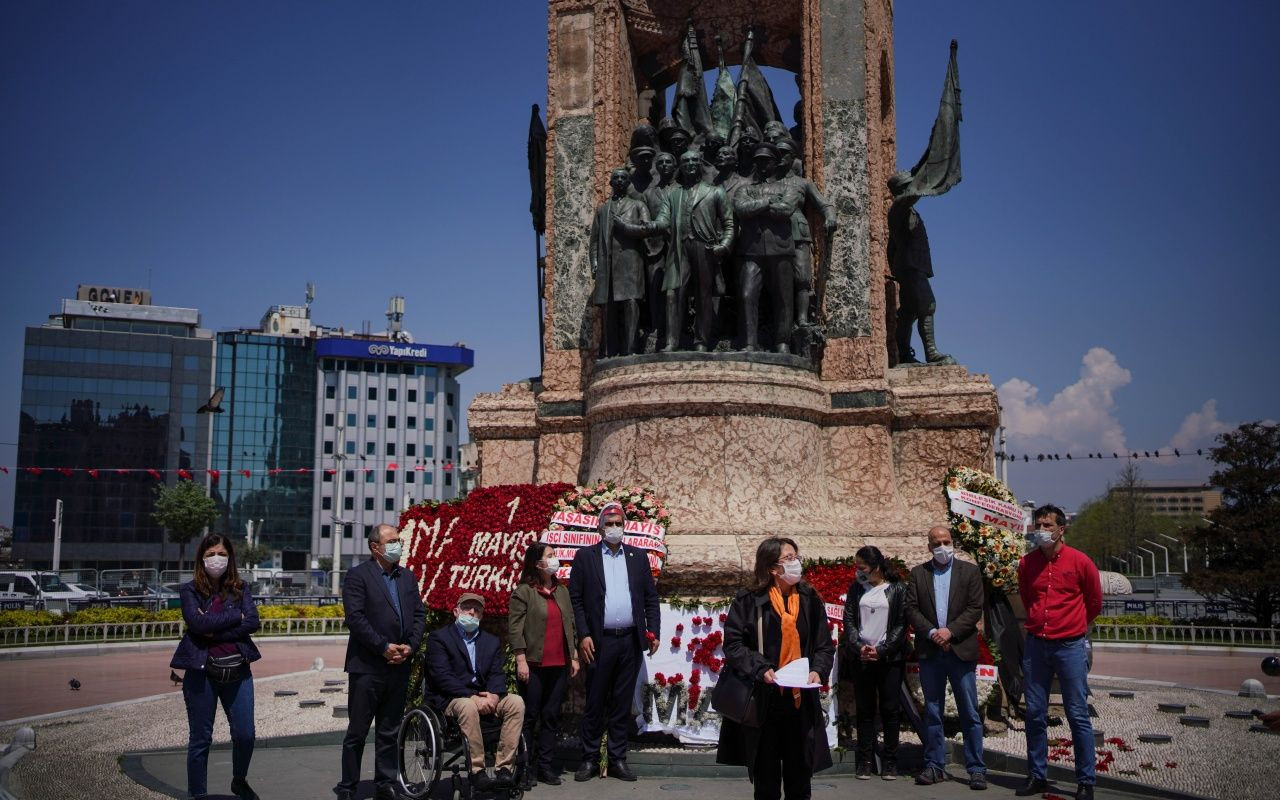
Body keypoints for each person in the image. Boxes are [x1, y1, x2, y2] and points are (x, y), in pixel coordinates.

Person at [718, 537, 834, 800]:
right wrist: (761, 669)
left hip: (799, 701)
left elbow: (824, 646)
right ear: (773, 568)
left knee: (800, 779)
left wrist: (818, 670)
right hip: (764, 702)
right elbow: (734, 645)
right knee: (767, 781)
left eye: (796, 557)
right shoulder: (749, 601)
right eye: (789, 559)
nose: (796, 563)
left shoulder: (809, 599)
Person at [568, 501, 661, 782]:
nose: (614, 527)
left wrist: (653, 630)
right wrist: (583, 634)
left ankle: (618, 759)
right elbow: (577, 600)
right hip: (599, 641)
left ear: (625, 526)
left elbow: (649, 598)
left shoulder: (637, 556)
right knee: (595, 701)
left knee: (621, 703)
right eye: (608, 523)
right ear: (599, 527)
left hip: (629, 641)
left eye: (618, 522)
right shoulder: (586, 557)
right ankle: (589, 759)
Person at [1016, 505, 1103, 800]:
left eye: (1047, 524)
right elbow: (1029, 598)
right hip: (1037, 645)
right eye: (1038, 524)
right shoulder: (1027, 564)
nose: (1041, 529)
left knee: (1077, 713)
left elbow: (1094, 602)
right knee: (1035, 713)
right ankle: (1037, 775)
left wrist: (1073, 625)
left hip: (1070, 645)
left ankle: (1085, 781)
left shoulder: (1081, 562)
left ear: (1061, 529)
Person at [338, 524, 427, 800]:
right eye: (392, 541)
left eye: (399, 540)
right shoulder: (357, 576)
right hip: (368, 666)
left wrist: (409, 647)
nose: (398, 544)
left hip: (398, 664)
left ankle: (385, 782)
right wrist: (383, 647)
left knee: (389, 730)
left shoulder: (407, 577)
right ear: (375, 547)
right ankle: (348, 786)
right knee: (357, 731)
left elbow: (418, 616)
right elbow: (356, 618)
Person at [170, 533, 261, 800]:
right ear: (201, 559)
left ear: (230, 557)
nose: (216, 559)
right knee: (200, 739)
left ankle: (239, 779)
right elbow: (197, 626)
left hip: (238, 670)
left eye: (221, 553)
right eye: (210, 555)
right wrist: (234, 617)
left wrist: (214, 628)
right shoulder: (189, 590)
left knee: (245, 734)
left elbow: (252, 622)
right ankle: (197, 794)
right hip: (202, 672)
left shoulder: (241, 588)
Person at [905, 526, 987, 789]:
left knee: (970, 712)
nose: (942, 546)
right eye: (937, 542)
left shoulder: (970, 572)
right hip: (931, 651)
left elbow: (975, 607)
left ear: (953, 543)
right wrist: (931, 632)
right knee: (932, 711)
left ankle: (976, 768)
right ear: (929, 546)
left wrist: (950, 631)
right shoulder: (919, 574)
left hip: (960, 649)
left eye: (946, 541)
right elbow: (911, 608)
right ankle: (934, 765)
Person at [426, 593, 527, 791]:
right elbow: (441, 676)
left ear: (481, 616)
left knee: (516, 702)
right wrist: (470, 696)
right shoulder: (439, 639)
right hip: (451, 698)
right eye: (467, 608)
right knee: (467, 706)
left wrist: (494, 695)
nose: (472, 612)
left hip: (484, 696)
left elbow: (497, 673)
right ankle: (477, 771)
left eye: (477, 610)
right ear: (456, 612)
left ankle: (504, 769)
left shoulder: (491, 641)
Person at [649, 149, 735, 352]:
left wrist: (723, 245)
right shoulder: (673, 195)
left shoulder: (715, 192)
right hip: (679, 248)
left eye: (694, 160)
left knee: (703, 294)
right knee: (673, 293)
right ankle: (672, 341)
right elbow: (663, 219)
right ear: (681, 165)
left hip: (704, 248)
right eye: (686, 161)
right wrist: (651, 226)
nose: (690, 164)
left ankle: (701, 341)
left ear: (700, 164)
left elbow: (729, 224)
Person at [508, 542, 579, 785]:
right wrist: (521, 659)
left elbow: (570, 624)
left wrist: (575, 656)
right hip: (533, 664)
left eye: (555, 555)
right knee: (529, 716)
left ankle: (545, 766)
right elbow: (515, 628)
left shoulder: (562, 591)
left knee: (551, 715)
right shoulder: (524, 592)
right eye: (550, 556)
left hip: (558, 664)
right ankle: (524, 767)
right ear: (537, 564)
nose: (555, 559)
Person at [840, 545, 907, 781]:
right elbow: (849, 619)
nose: (858, 572)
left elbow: (901, 624)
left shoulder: (897, 589)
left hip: (889, 658)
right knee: (865, 710)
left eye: (862, 568)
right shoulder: (857, 589)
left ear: (876, 567)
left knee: (890, 709)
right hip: (863, 657)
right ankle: (865, 760)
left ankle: (890, 761)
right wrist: (859, 646)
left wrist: (882, 649)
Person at [733, 143, 802, 353]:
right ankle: (749, 342)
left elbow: (786, 209)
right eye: (758, 161)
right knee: (747, 295)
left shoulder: (788, 188)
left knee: (783, 298)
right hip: (752, 250)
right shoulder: (744, 189)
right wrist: (768, 202)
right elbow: (741, 209)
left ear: (775, 163)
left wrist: (758, 207)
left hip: (780, 249)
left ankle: (783, 342)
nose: (762, 165)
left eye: (766, 161)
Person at [590, 168, 653, 357]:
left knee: (631, 304)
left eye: (623, 178)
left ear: (628, 183)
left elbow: (647, 228)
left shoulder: (638, 205)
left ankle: (631, 349)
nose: (619, 181)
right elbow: (594, 240)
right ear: (610, 183)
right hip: (607, 265)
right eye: (615, 178)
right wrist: (594, 263)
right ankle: (611, 351)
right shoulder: (603, 209)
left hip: (631, 262)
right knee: (609, 309)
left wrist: (626, 228)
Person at [774, 138, 836, 327]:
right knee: (778, 280)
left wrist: (830, 217)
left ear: (793, 157)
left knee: (802, 277)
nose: (780, 157)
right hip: (775, 234)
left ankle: (801, 319)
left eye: (784, 153)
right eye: (777, 153)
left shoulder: (803, 183)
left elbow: (824, 204)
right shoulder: (769, 182)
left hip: (798, 232)